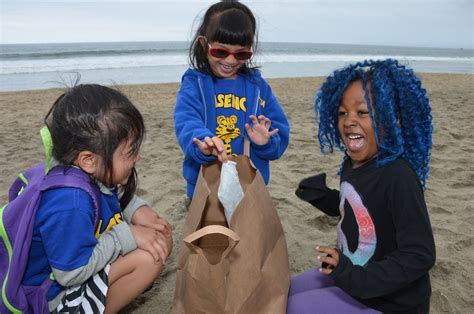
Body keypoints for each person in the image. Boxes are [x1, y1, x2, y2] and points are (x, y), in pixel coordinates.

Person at [288, 59, 436, 314]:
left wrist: (352, 275)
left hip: (390, 301)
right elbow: (361, 209)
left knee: (296, 306)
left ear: (393, 119)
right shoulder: (353, 164)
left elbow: (420, 254)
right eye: (343, 112)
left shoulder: (398, 176)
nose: (349, 121)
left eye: (362, 112)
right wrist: (322, 197)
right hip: (353, 274)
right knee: (290, 289)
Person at [22, 84, 173, 313]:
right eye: (130, 152)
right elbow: (72, 273)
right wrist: (128, 235)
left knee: (159, 237)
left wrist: (136, 209)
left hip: (75, 269)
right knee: (150, 257)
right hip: (52, 297)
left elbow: (109, 193)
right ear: (88, 160)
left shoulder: (85, 170)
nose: (138, 158)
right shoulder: (69, 203)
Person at [174, 0, 290, 199]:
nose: (230, 60)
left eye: (241, 54)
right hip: (205, 188)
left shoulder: (258, 87)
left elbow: (280, 132)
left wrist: (265, 142)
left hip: (248, 188)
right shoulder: (195, 84)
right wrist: (203, 142)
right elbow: (186, 120)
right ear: (204, 44)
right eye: (220, 51)